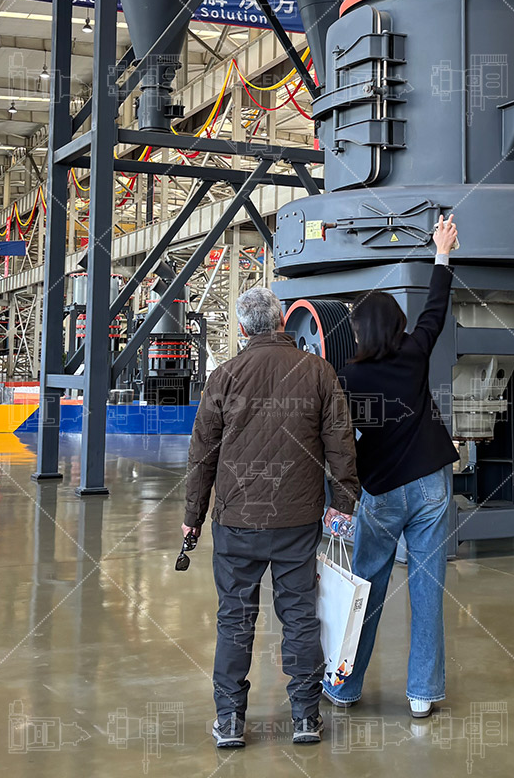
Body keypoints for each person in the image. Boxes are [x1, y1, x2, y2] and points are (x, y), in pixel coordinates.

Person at [183, 286, 359, 749]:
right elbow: (341, 443)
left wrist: (193, 515)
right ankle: (305, 717)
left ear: (243, 330)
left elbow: (202, 454)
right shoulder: (318, 372)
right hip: (297, 519)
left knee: (235, 618)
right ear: (283, 322)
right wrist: (342, 504)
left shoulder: (223, 377)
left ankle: (229, 721)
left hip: (236, 520)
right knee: (300, 616)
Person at [323, 213, 461, 720]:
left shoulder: (348, 378)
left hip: (380, 489)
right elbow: (435, 309)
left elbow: (340, 444)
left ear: (360, 333)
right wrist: (442, 252)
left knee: (366, 588)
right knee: (428, 589)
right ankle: (422, 694)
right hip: (431, 484)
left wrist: (338, 500)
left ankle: (345, 686)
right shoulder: (415, 352)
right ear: (399, 326)